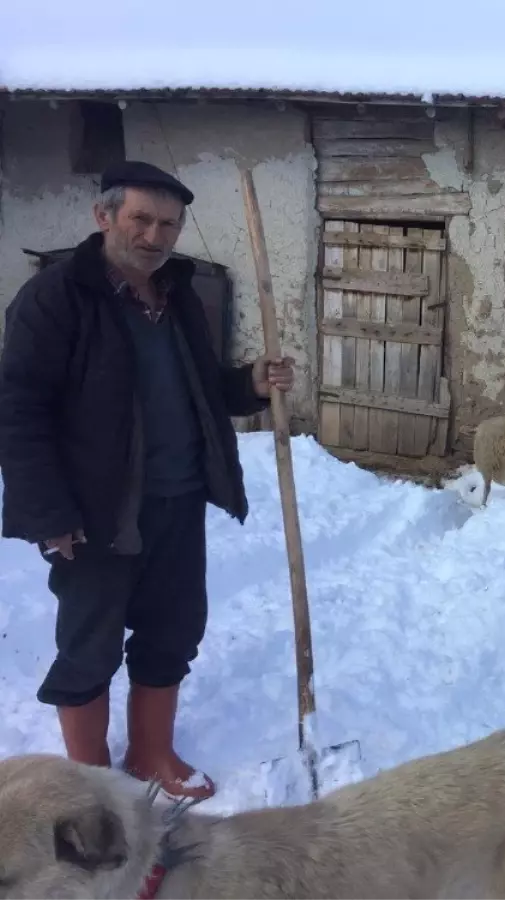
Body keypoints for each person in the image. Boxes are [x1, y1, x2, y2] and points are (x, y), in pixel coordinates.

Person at [0, 160, 295, 802]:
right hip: (94, 511)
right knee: (90, 643)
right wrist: (47, 513)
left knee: (173, 629)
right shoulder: (57, 298)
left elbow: (198, 388)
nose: (154, 235)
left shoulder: (178, 294)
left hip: (177, 498)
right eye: (140, 218)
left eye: (168, 223)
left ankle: (150, 753)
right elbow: (18, 408)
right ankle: (88, 781)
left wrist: (247, 384)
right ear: (103, 216)